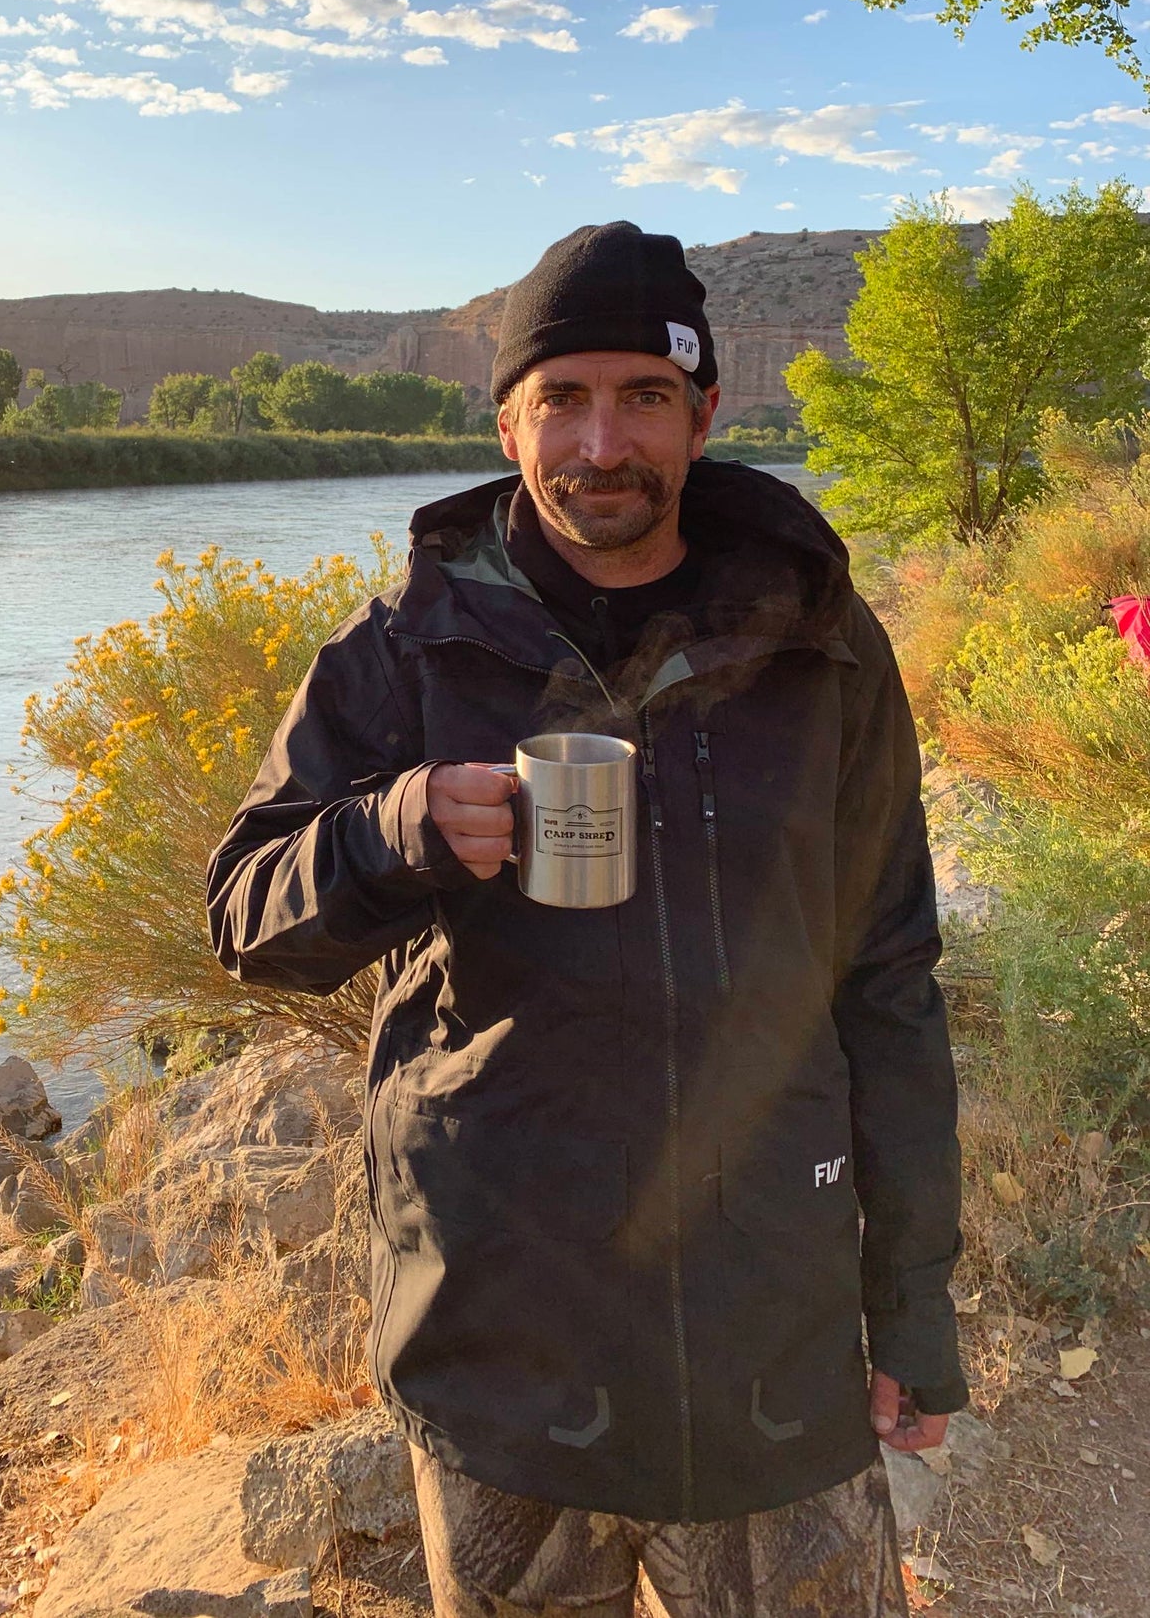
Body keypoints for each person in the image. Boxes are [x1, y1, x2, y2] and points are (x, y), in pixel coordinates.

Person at [207, 223, 966, 1618]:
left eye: (644, 397)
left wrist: (909, 1300)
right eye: (563, 398)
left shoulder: (822, 644)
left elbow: (892, 975)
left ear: (706, 414)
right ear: (509, 420)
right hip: (504, 1336)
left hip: (762, 1332)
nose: (601, 442)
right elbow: (246, 911)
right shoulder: (404, 647)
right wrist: (397, 827)